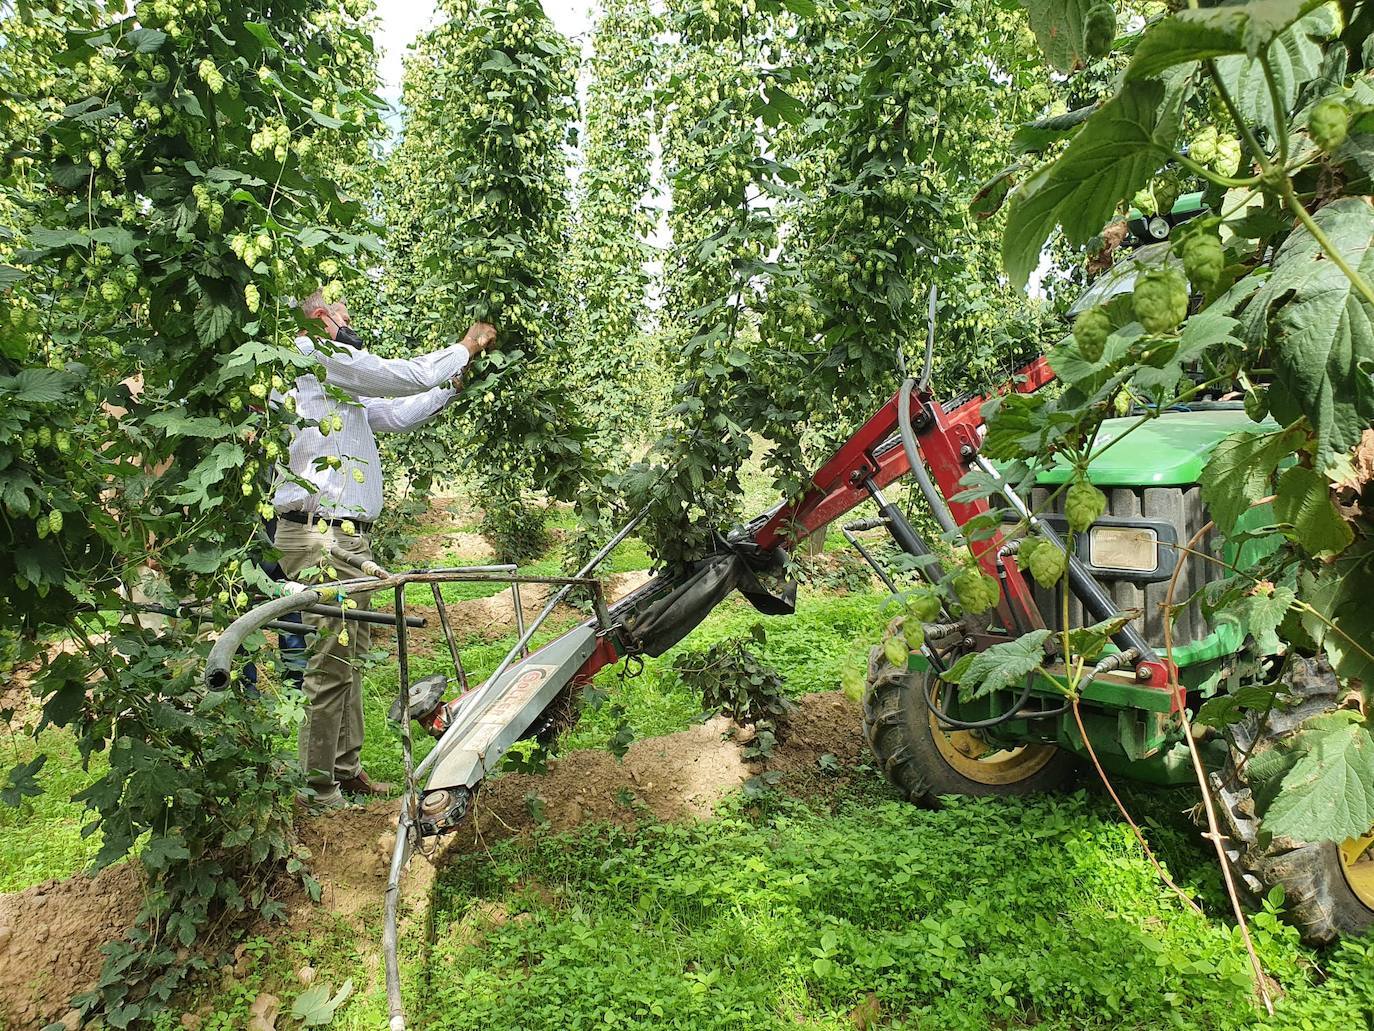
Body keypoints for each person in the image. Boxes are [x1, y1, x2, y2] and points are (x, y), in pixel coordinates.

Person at [272, 289, 497, 810]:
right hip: (318, 534)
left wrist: (452, 385)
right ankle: (317, 789)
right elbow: (405, 376)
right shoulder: (315, 357)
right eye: (341, 309)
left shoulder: (332, 385)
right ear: (318, 316)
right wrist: (464, 346)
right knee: (329, 663)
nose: (349, 318)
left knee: (348, 656)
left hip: (343, 536)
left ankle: (345, 769)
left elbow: (392, 414)